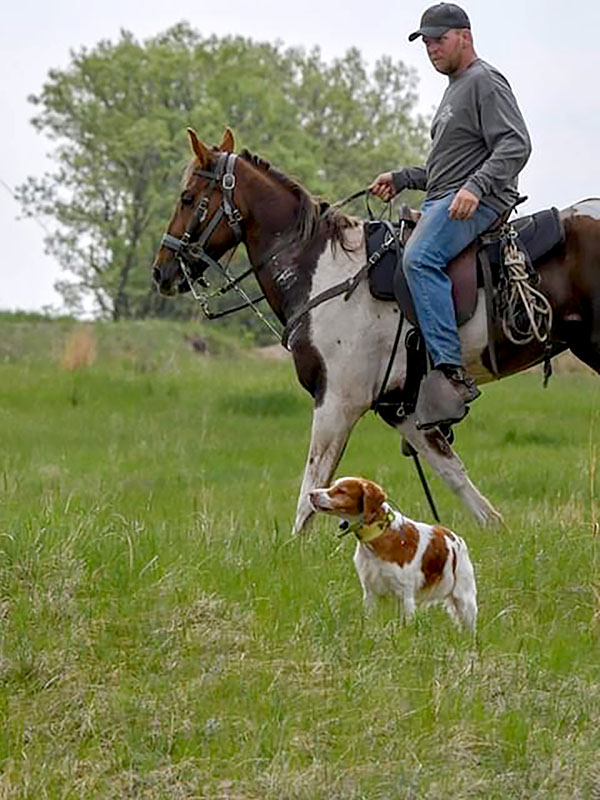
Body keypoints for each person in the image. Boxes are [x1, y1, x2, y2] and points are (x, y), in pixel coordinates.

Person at [370, 2, 531, 429]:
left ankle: (451, 374)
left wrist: (476, 188)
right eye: (425, 42)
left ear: (465, 35)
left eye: (438, 39)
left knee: (419, 259)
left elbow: (516, 146)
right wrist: (403, 177)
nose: (431, 48)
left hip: (484, 201)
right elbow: (446, 171)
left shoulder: (485, 82)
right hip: (447, 198)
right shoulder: (454, 89)